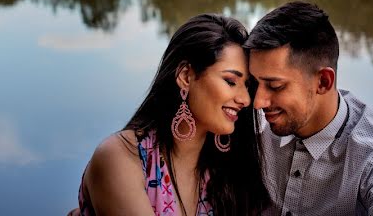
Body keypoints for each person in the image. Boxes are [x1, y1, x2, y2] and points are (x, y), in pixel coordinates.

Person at [70, 14, 270, 216]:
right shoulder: (121, 157)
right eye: (230, 81)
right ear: (185, 76)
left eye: (247, 86)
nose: (245, 99)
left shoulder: (230, 171)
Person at [245, 1, 373, 216]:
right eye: (254, 83)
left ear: (323, 82)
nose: (258, 102)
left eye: (275, 86)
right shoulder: (249, 122)